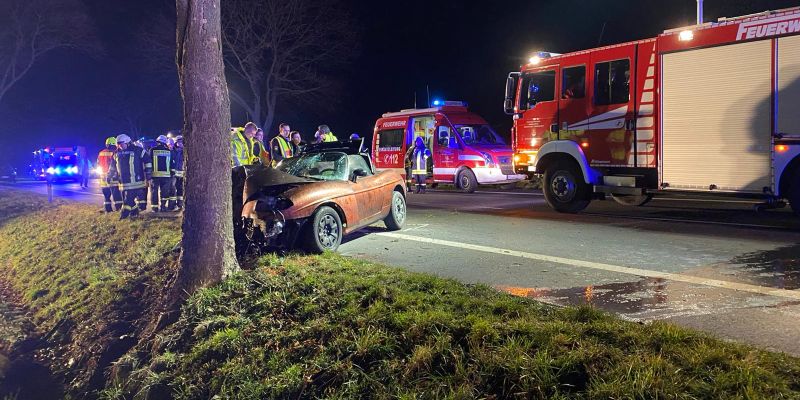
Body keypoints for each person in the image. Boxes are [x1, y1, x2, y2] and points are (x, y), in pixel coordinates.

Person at [108, 134, 151, 219]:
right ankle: (135, 213)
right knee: (129, 200)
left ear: (127, 142)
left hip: (136, 181)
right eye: (118, 144)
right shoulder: (116, 153)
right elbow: (112, 166)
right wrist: (109, 175)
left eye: (121, 144)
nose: (119, 146)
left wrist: (148, 172)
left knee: (127, 200)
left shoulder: (138, 150)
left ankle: (124, 215)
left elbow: (147, 160)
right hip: (123, 182)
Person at [147, 135, 175, 212]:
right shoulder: (169, 151)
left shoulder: (152, 150)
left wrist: (148, 173)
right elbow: (172, 163)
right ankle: (163, 206)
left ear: (158, 142)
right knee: (164, 192)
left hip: (154, 175)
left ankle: (154, 208)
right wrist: (172, 172)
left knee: (154, 191)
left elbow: (149, 162)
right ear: (165, 142)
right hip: (166, 176)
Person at [96, 137, 123, 212]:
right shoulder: (114, 152)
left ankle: (108, 209)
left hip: (103, 178)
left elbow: (98, 164)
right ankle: (119, 208)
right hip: (113, 177)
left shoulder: (101, 153)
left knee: (106, 196)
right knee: (116, 195)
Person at [169, 135, 185, 210]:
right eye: (179, 141)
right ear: (176, 142)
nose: (180, 143)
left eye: (181, 141)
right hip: (174, 174)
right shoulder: (172, 151)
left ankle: (180, 204)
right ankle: (172, 205)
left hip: (182, 174)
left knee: (180, 189)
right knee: (172, 189)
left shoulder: (185, 152)